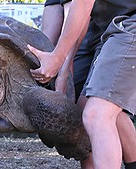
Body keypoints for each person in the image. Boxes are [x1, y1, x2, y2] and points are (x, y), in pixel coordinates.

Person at [31, 0, 136, 168]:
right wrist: (58, 61)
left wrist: (60, 60)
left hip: (128, 23)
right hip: (109, 26)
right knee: (85, 109)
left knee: (97, 114)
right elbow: (69, 10)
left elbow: (82, 5)